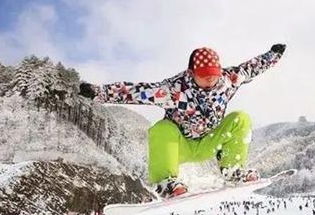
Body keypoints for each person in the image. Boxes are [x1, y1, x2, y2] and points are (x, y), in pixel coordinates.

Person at [79, 44, 286, 197]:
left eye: (213, 75)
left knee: (241, 118)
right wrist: (99, 93)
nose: (210, 80)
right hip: (180, 147)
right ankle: (167, 181)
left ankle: (232, 169)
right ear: (191, 73)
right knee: (162, 128)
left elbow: (250, 68)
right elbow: (135, 92)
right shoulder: (173, 90)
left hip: (211, 143)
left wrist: (273, 55)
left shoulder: (227, 81)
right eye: (203, 75)